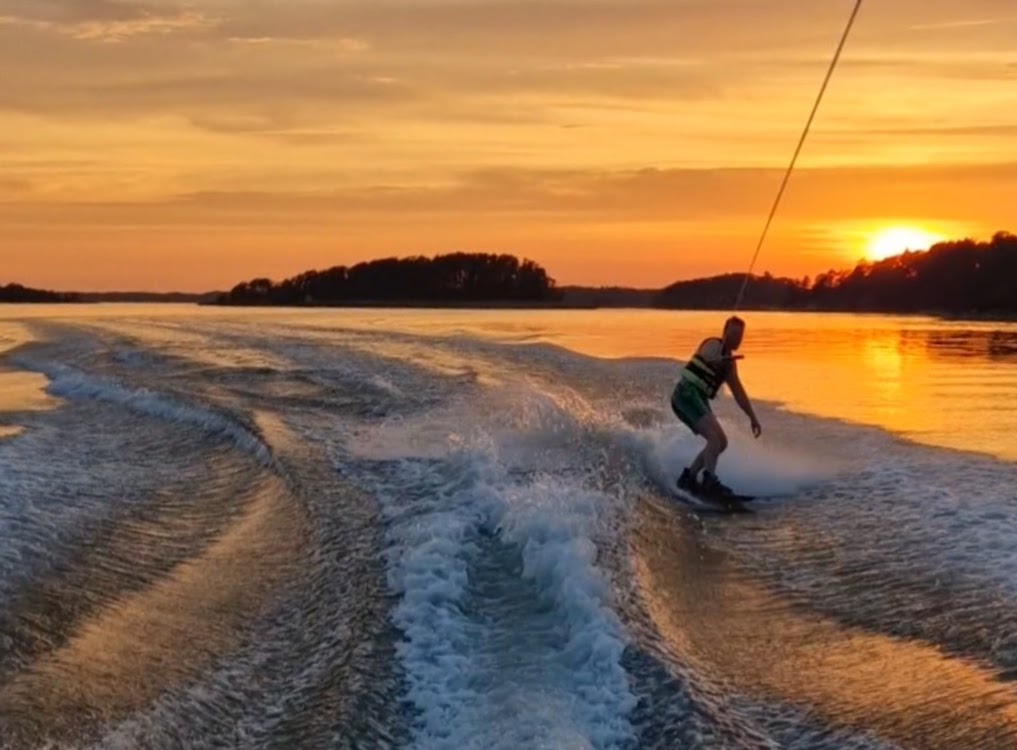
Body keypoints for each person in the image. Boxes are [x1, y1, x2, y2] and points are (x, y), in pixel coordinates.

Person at [670, 316, 761, 498]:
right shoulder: (712, 345)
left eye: (740, 335)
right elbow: (709, 356)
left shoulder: (730, 365)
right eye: (733, 334)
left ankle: (689, 478)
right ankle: (709, 482)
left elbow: (739, 393)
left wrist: (752, 417)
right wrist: (720, 359)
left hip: (699, 398)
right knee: (714, 439)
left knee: (722, 442)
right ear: (724, 332)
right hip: (685, 395)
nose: (737, 339)